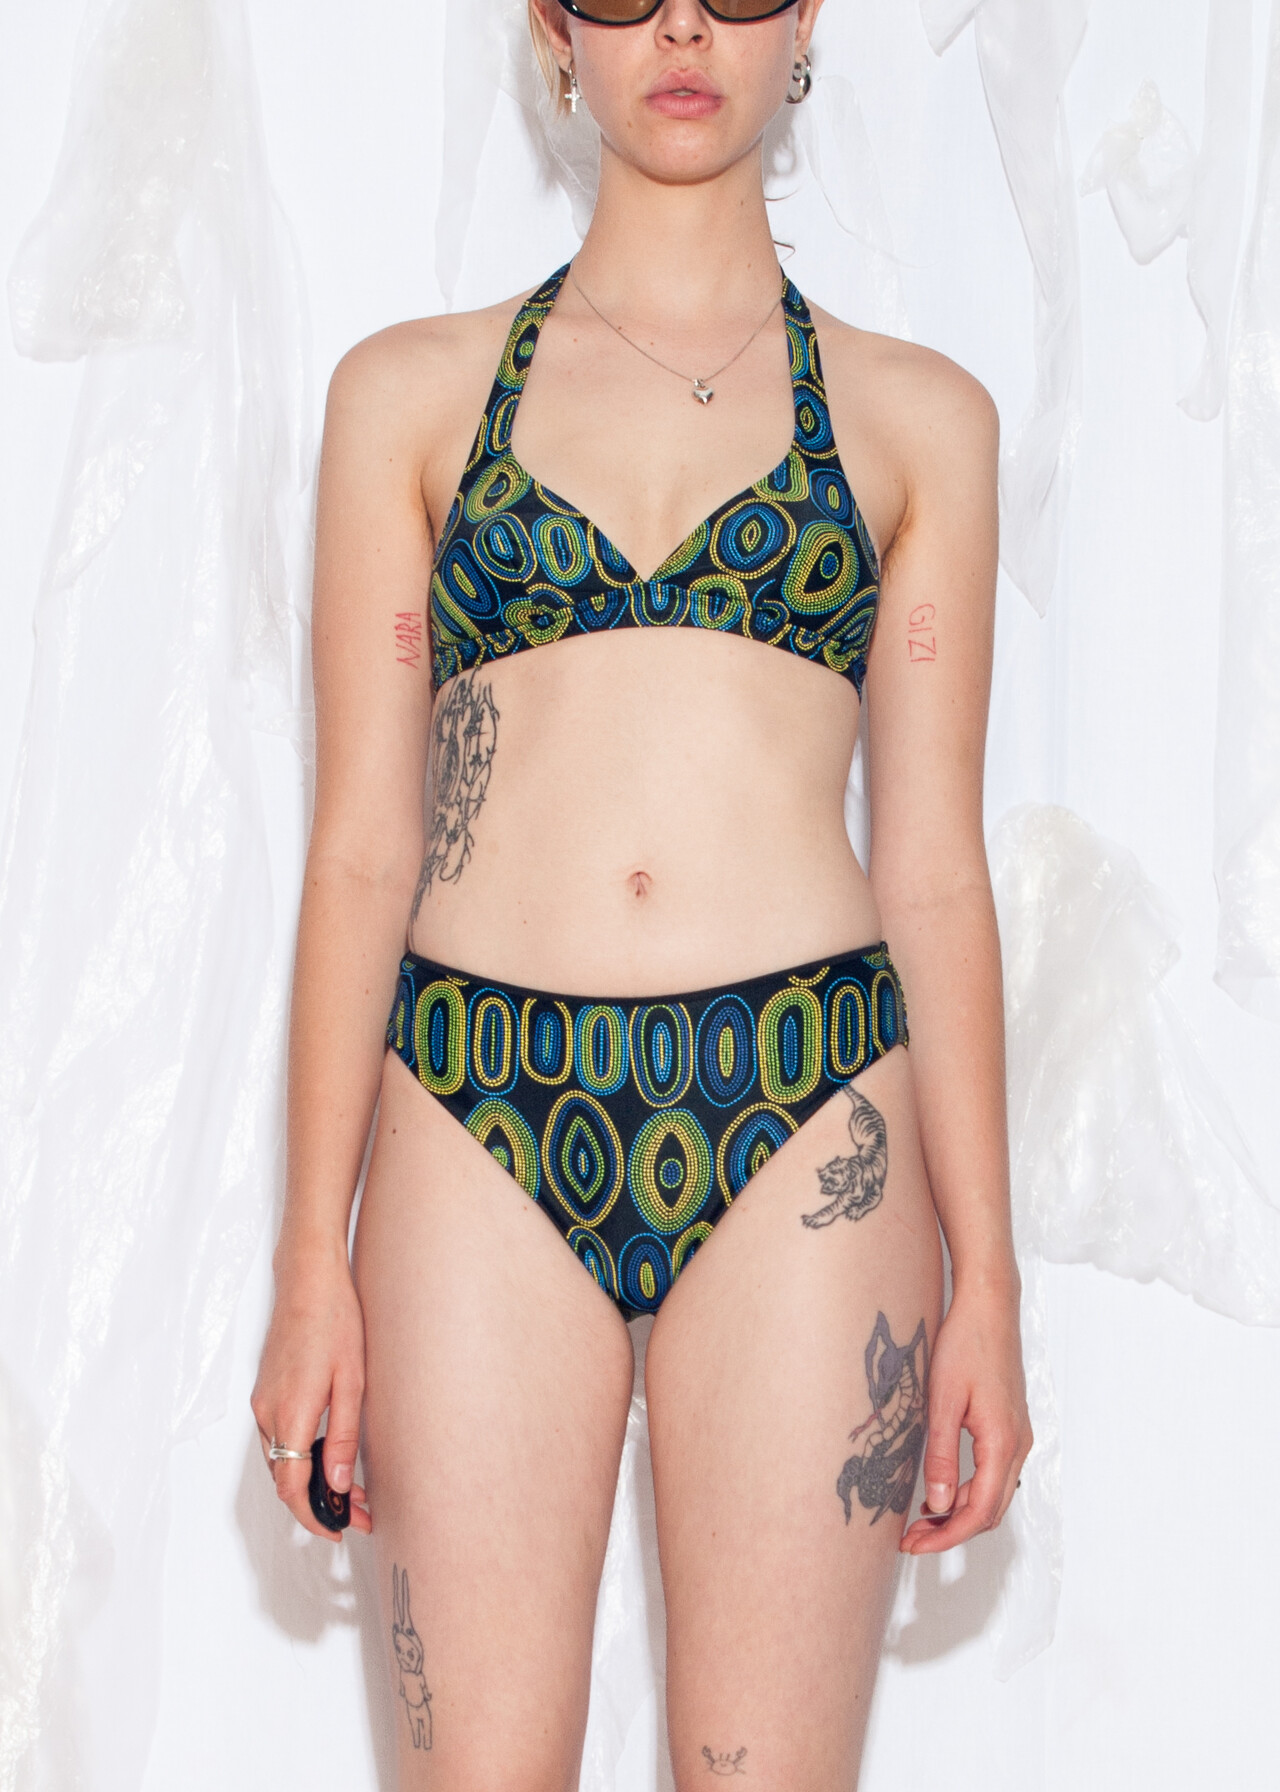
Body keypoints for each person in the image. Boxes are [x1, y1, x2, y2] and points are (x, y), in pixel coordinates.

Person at [251, 1, 1033, 1785]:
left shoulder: (922, 422)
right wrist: (309, 1254)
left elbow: (934, 864)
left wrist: (990, 1275)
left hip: (807, 1112)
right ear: (553, 27)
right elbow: (361, 846)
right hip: (474, 1108)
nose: (682, 23)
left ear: (805, 17)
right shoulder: (408, 397)